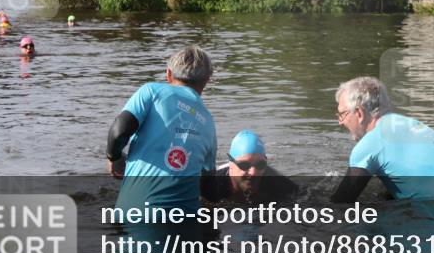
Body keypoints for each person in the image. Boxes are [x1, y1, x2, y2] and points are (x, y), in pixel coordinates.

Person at [330, 76, 434, 208]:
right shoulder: (409, 123)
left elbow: (341, 203)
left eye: (342, 115)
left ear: (358, 113)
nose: (340, 122)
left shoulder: (368, 145)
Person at [106, 45, 217, 213]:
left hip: (135, 214)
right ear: (207, 80)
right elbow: (208, 186)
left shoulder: (151, 92)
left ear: (168, 74)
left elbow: (119, 131)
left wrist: (114, 157)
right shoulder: (209, 122)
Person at [201, 130, 299, 204]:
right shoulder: (210, 184)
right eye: (244, 165)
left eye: (260, 165)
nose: (253, 172)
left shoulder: (281, 185)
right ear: (231, 164)